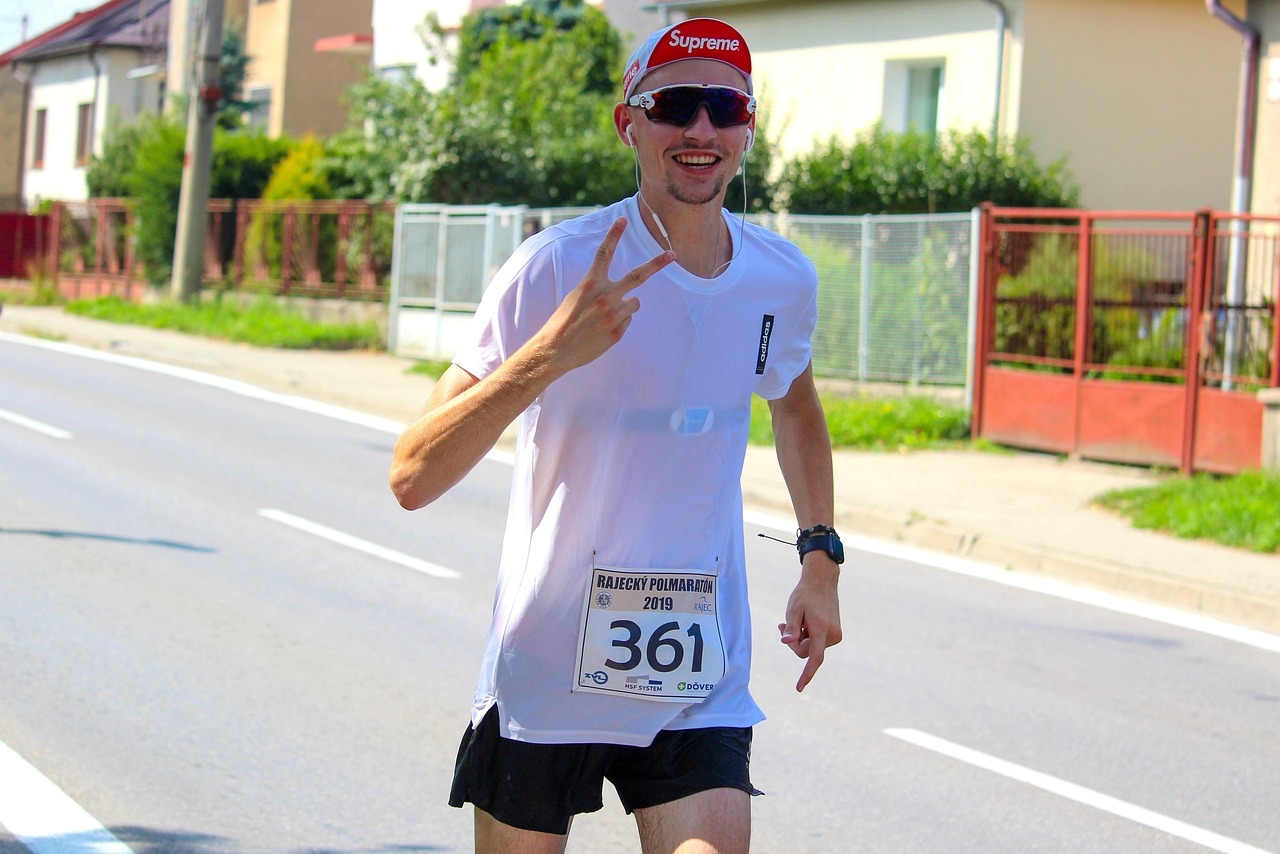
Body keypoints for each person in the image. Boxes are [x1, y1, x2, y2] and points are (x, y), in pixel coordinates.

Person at [390, 17, 843, 854]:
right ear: (627, 123)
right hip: (547, 665)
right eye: (674, 105)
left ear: (748, 128)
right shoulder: (557, 266)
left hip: (694, 674)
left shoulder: (780, 280)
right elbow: (412, 474)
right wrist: (547, 356)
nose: (701, 129)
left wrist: (821, 561)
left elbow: (796, 405)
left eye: (725, 107)